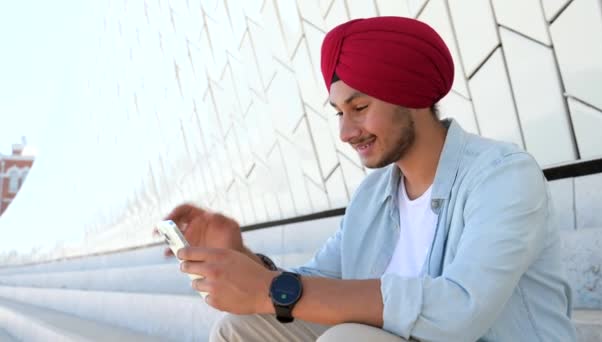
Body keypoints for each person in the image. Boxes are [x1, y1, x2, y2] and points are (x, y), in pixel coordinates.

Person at [164, 17, 577, 341]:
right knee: (240, 331)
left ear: (411, 97)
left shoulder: (503, 175)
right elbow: (321, 282)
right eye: (339, 113)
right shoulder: (374, 196)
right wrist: (242, 259)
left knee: (347, 339)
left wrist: (268, 289)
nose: (345, 132)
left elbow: (460, 310)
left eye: (359, 107)